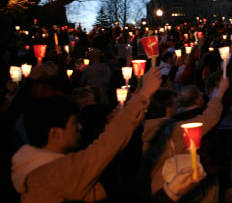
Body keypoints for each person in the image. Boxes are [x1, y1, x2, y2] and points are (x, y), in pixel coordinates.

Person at [11, 67, 162, 202]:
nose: (80, 126)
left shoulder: (39, 165)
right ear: (55, 132)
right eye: (73, 123)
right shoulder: (57, 173)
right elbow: (107, 144)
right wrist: (144, 93)